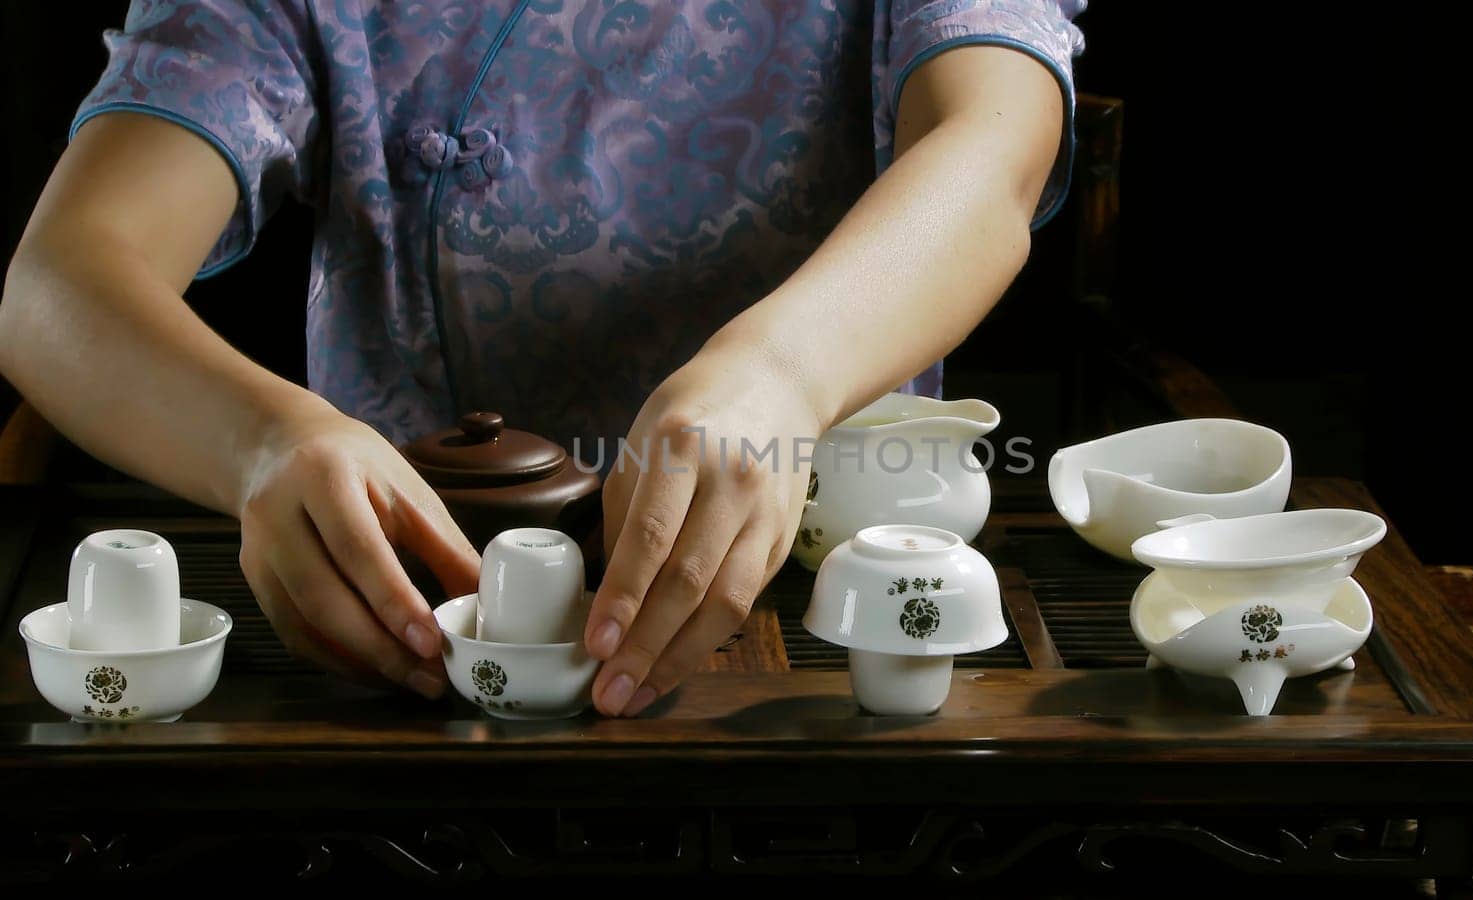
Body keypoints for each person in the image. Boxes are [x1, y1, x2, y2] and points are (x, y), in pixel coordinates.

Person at [0, 0, 1084, 716]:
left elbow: (989, 152)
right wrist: (260, 444)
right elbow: (59, 282)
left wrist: (781, 376)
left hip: (810, 628)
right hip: (419, 628)